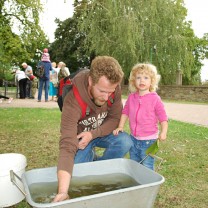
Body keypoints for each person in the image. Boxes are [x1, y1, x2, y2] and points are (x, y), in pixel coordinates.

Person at [53, 56, 132, 202]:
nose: (106, 97)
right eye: (102, 91)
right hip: (81, 139)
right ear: (90, 81)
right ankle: (91, 157)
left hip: (100, 133)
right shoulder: (73, 99)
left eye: (111, 91)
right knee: (76, 174)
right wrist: (63, 192)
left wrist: (93, 133)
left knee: (125, 141)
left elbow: (115, 118)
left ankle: (100, 167)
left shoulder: (113, 88)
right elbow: (67, 145)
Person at [113, 63, 168, 170]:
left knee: (147, 166)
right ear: (133, 81)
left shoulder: (155, 99)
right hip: (133, 139)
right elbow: (125, 112)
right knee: (134, 165)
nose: (142, 80)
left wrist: (164, 132)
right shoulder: (131, 97)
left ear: (152, 81)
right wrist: (120, 126)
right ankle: (137, 184)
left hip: (149, 140)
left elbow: (163, 117)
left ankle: (148, 185)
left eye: (146, 77)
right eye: (138, 77)